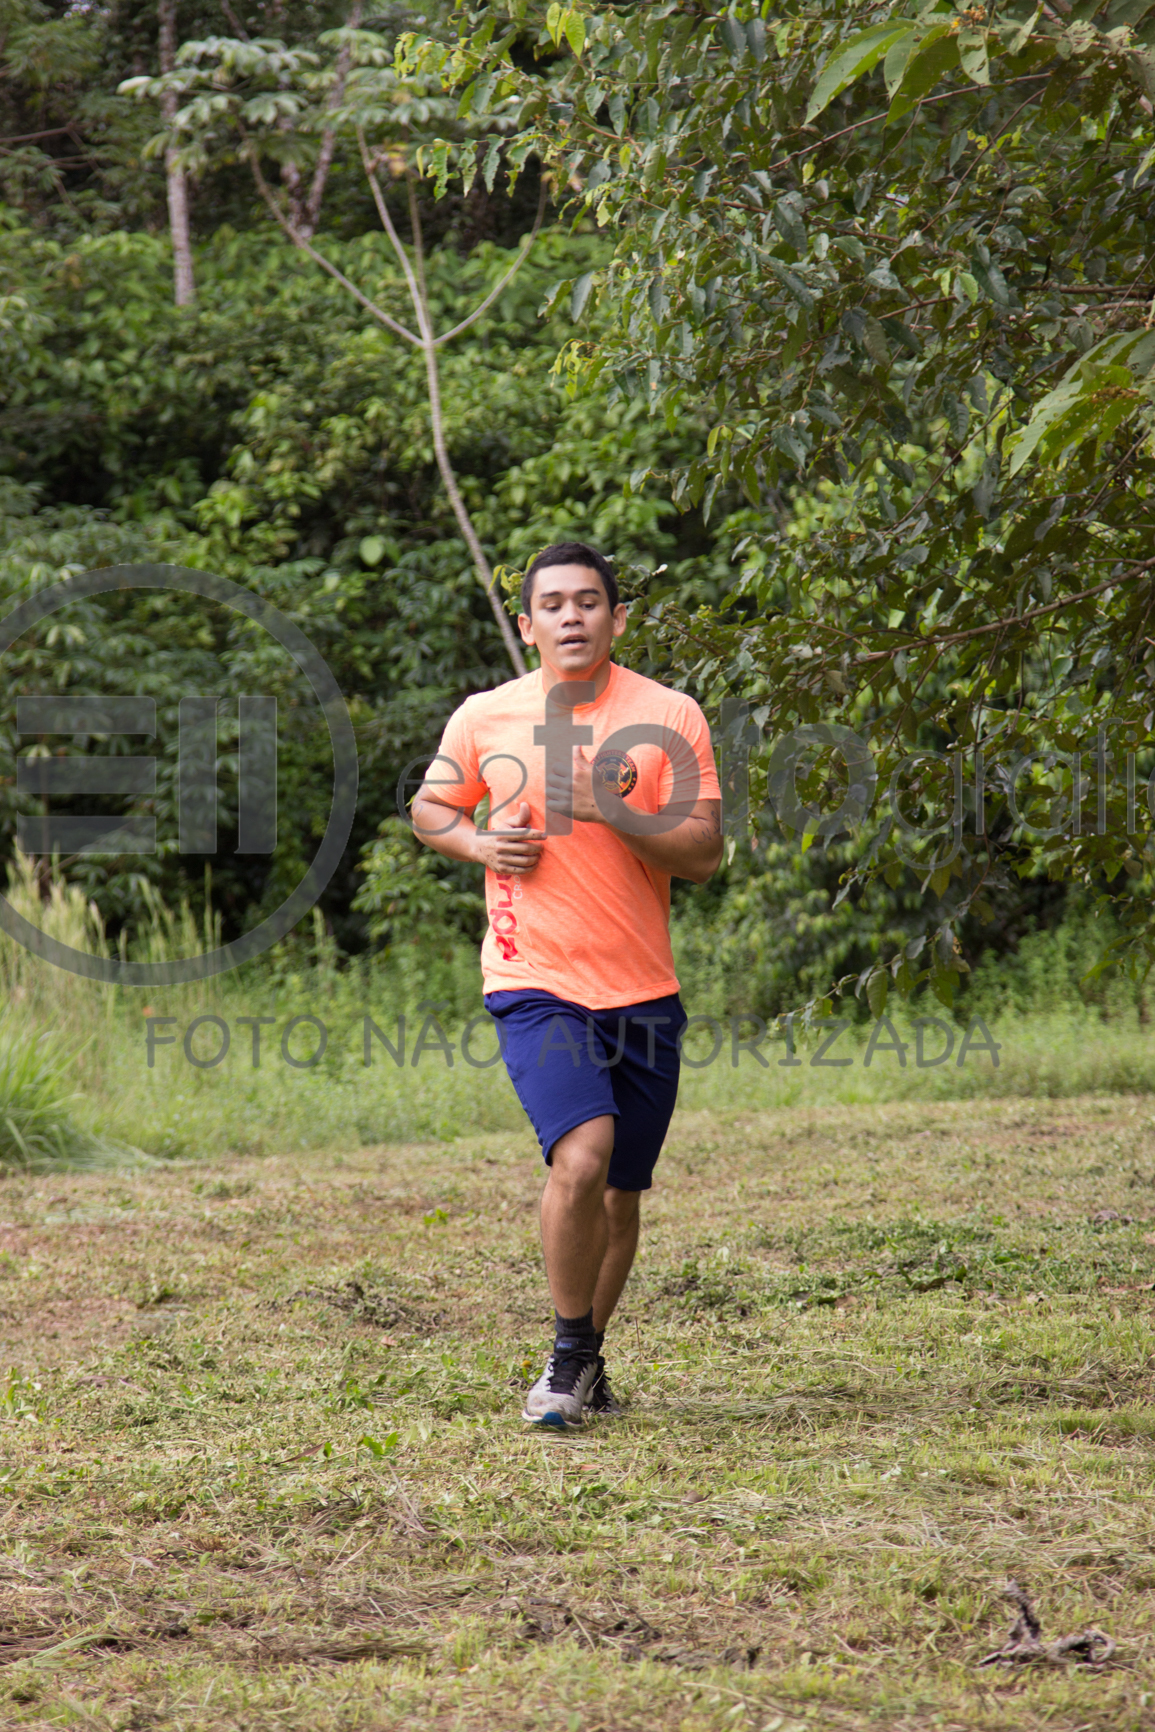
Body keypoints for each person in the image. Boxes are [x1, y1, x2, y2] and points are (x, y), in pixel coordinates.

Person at [411, 542, 722, 1428]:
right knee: (580, 1156)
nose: (571, 617)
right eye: (552, 604)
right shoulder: (486, 716)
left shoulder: (669, 715)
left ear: (616, 618)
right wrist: (475, 842)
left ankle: (584, 1359)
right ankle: (565, 1355)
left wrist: (611, 808)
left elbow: (703, 853)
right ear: (527, 624)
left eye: (588, 602)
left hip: (641, 987)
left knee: (620, 1194)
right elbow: (430, 809)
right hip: (532, 977)